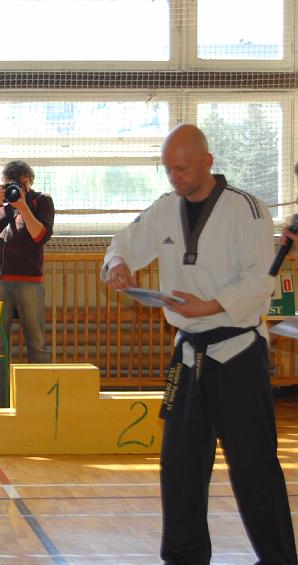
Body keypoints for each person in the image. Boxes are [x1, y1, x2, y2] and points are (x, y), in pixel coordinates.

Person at [103, 124, 296, 564]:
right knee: (180, 464)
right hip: (189, 354)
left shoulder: (246, 208)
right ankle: (184, 557)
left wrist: (208, 306)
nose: (175, 177)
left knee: (253, 466)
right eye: (169, 169)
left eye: (183, 169)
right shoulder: (164, 207)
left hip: (237, 351)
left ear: (207, 162)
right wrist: (117, 264)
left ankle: (279, 558)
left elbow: (259, 281)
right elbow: (125, 244)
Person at [0, 160, 54, 407]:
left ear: (28, 182)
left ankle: (39, 402)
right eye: (8, 185)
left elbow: (41, 236)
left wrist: (23, 206)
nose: (12, 189)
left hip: (30, 283)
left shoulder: (42, 201)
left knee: (37, 342)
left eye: (17, 184)